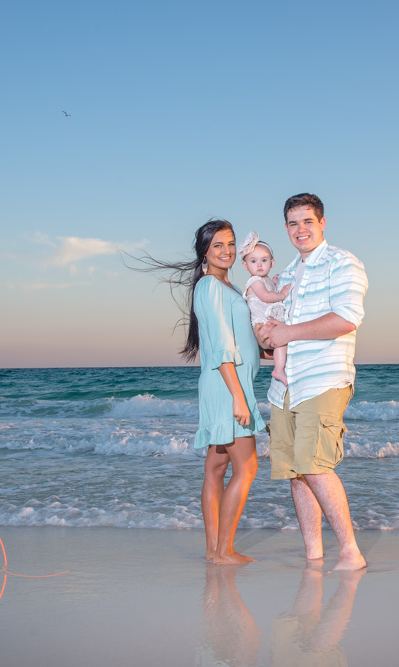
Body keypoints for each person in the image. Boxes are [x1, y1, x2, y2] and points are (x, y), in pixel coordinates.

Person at [257, 193, 368, 571]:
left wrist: (286, 332)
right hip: (285, 385)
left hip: (324, 378)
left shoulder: (343, 262)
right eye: (292, 223)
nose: (300, 229)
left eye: (307, 221)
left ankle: (351, 552)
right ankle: (313, 555)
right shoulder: (286, 275)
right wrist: (267, 337)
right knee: (294, 470)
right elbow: (275, 339)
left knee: (315, 464)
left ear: (323, 223)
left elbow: (346, 318)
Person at [142, 219, 263, 564]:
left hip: (223, 385)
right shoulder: (210, 286)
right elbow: (224, 346)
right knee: (248, 468)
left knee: (216, 467)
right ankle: (224, 551)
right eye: (217, 246)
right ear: (204, 255)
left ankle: (214, 551)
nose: (226, 251)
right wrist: (239, 397)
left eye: (230, 244)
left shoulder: (228, 288)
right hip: (228, 388)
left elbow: (240, 340)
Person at [238, 231, 291, 386]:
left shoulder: (265, 280)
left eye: (264, 260)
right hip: (262, 324)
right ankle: (279, 370)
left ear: (272, 263)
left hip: (268, 322)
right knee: (281, 341)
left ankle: (281, 368)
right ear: (245, 265)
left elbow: (269, 291)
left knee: (283, 342)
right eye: (253, 261)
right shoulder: (254, 281)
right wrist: (282, 293)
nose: (259, 264)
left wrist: (274, 283)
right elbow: (266, 297)